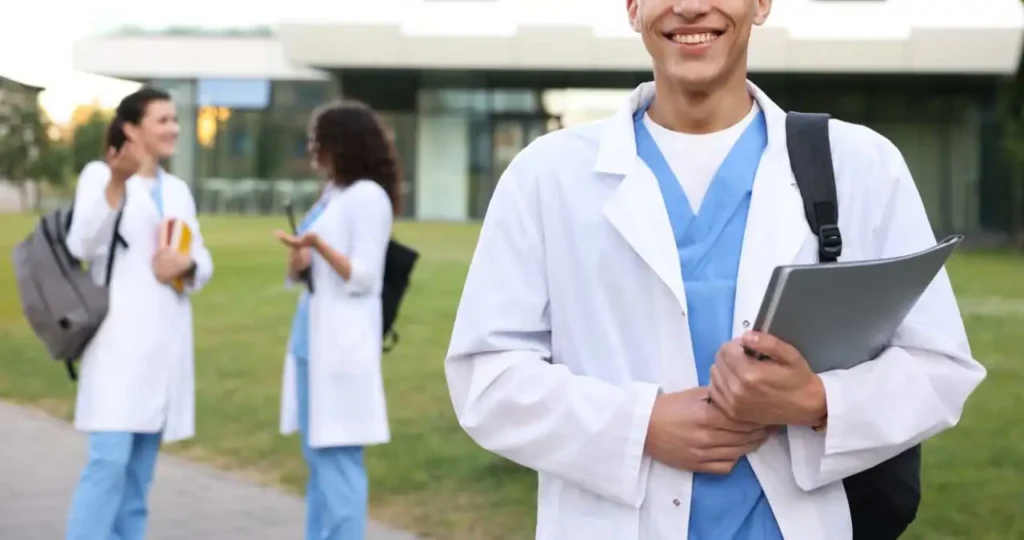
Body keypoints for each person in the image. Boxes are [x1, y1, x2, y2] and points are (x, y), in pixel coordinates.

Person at [444, 1, 986, 539]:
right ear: (633, 8)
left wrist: (817, 403)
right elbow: (487, 379)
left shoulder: (861, 166)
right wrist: (640, 427)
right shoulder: (546, 176)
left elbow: (938, 367)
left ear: (762, 4)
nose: (690, 6)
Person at [64, 87, 214, 540]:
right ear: (131, 128)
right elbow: (80, 245)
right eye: (162, 120)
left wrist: (186, 265)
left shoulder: (178, 191)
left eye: (174, 120)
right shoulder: (99, 176)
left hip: (162, 353)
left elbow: (202, 260)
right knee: (107, 466)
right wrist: (115, 184)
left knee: (137, 484)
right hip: (116, 350)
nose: (174, 128)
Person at [274, 100, 398, 540]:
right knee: (319, 465)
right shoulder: (334, 195)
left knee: (339, 465)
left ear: (341, 144)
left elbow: (366, 276)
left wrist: (319, 248)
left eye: (317, 140)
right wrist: (299, 257)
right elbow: (307, 272)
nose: (312, 149)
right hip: (310, 340)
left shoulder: (368, 197)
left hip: (341, 348)